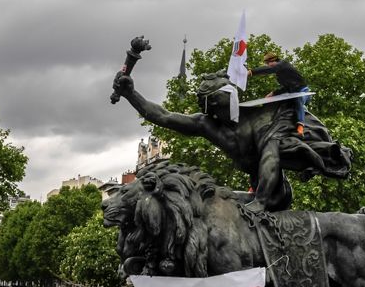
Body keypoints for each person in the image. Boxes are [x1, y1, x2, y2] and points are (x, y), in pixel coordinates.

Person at [112, 72, 351, 212]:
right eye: (216, 98)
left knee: (272, 146)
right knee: (211, 203)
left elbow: (271, 157)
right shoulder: (207, 125)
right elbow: (163, 117)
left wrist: (259, 203)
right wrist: (131, 94)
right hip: (258, 189)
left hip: (273, 194)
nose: (224, 99)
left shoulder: (261, 119)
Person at [248, 52, 311, 135]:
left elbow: (270, 69)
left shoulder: (283, 64)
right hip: (293, 94)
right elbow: (286, 87)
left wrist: (251, 72)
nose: (268, 65)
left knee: (297, 98)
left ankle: (300, 128)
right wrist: (273, 93)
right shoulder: (280, 74)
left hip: (304, 93)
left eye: (268, 63)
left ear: (273, 60)